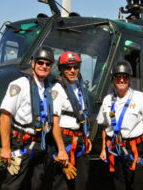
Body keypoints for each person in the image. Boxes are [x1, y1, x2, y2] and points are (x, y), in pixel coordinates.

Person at [0, 46, 55, 190]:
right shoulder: (19, 85)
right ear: (33, 63)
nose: (43, 66)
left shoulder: (50, 88)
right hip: (22, 144)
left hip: (41, 146)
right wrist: (6, 148)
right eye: (40, 62)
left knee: (38, 184)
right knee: (13, 185)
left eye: (47, 64)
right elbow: (5, 116)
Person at [97, 59, 143, 190]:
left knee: (136, 185)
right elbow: (104, 127)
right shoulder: (107, 100)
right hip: (115, 149)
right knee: (119, 184)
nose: (121, 80)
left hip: (134, 149)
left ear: (129, 79)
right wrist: (103, 149)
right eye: (118, 77)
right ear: (113, 79)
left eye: (125, 77)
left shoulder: (140, 98)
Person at [52, 51, 92, 190]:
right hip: (66, 141)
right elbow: (55, 123)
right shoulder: (57, 90)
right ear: (62, 69)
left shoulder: (80, 87)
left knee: (82, 182)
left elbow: (83, 115)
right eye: (68, 67)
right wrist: (62, 151)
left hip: (81, 140)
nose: (73, 70)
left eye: (76, 67)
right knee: (62, 183)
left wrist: (86, 137)